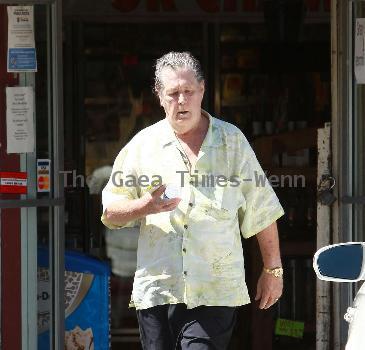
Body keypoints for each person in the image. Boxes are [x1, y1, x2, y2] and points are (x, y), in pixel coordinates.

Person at [101, 51, 284, 350]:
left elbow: (261, 208)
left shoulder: (231, 141)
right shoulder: (142, 146)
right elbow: (111, 211)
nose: (182, 101)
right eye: (173, 93)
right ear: (159, 96)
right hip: (159, 289)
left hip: (215, 289)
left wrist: (272, 269)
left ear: (202, 90)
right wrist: (145, 206)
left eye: (188, 91)